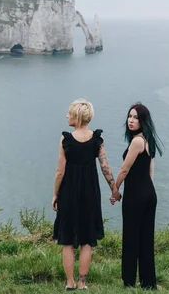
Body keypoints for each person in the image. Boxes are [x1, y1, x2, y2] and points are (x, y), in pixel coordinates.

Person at [52, 99, 120, 291]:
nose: (67, 116)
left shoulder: (65, 140)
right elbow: (105, 166)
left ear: (77, 117)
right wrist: (114, 188)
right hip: (90, 192)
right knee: (87, 240)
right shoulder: (97, 139)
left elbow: (60, 172)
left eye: (70, 113)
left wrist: (55, 194)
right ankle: (82, 283)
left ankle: (70, 282)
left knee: (67, 240)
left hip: (69, 192)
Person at [111, 102, 163, 290]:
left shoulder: (137, 141)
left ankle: (129, 281)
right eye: (130, 116)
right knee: (146, 238)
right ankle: (148, 282)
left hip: (136, 196)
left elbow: (124, 169)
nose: (131, 120)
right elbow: (150, 169)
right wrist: (148, 190)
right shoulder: (148, 139)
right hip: (149, 194)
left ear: (143, 121)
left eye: (136, 117)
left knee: (131, 237)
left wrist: (115, 190)